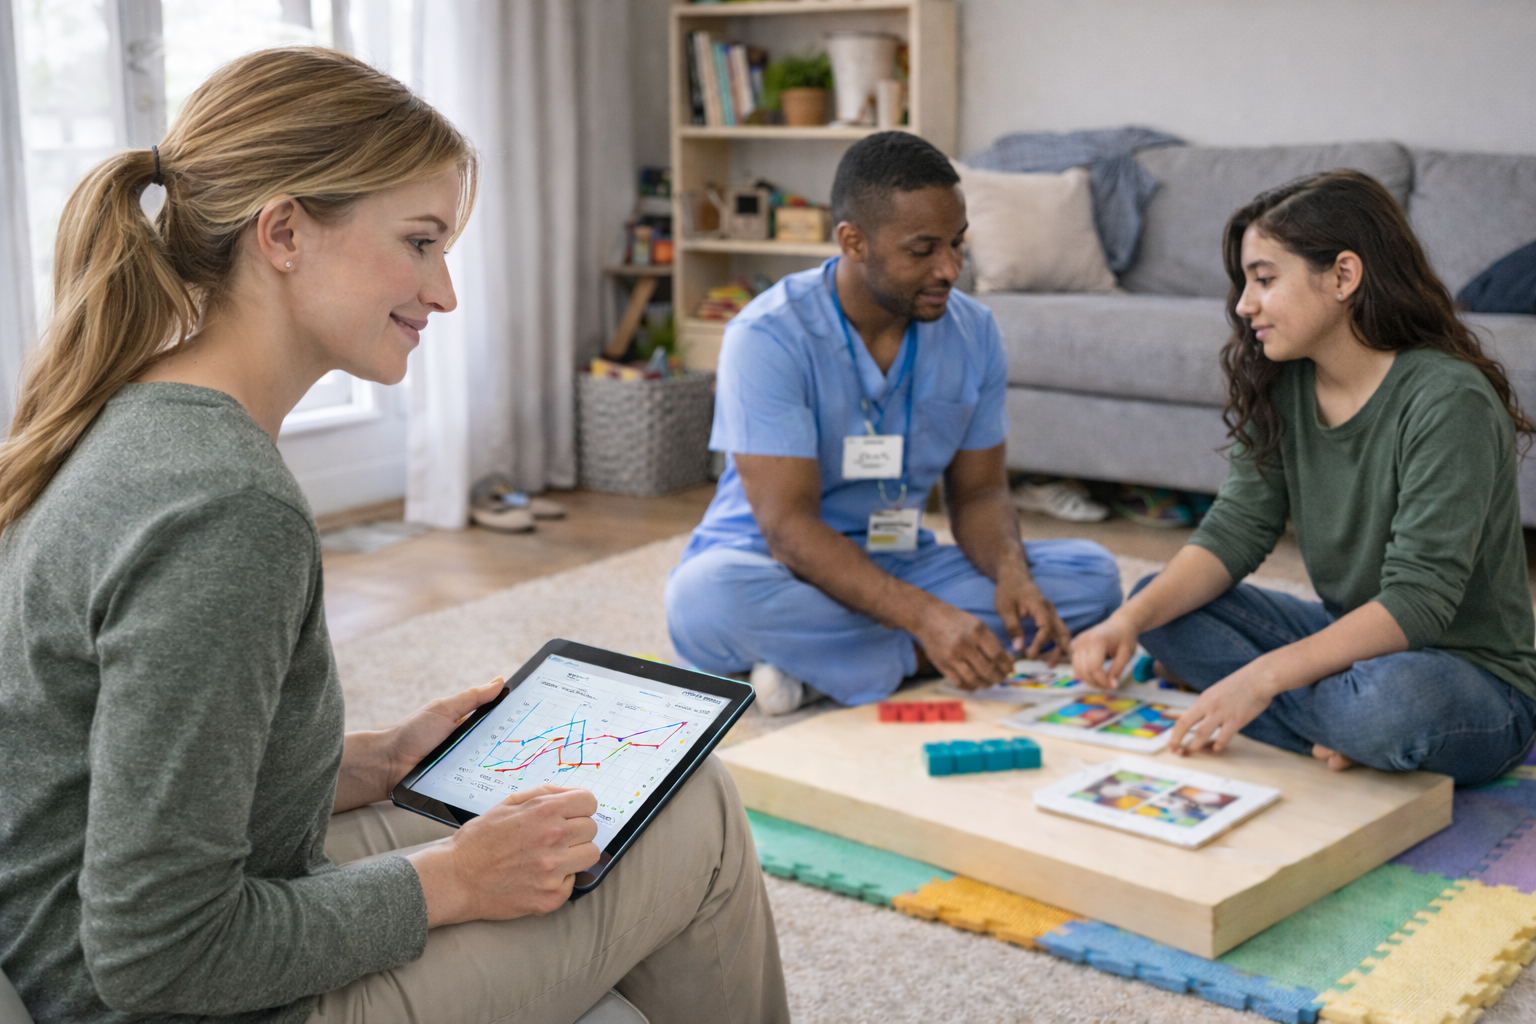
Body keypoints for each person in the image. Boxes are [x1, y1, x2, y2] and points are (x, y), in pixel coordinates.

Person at [0, 48, 787, 1024]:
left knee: (636, 799)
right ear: (283, 231)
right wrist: (451, 880)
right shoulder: (220, 507)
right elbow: (157, 953)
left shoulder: (126, 414)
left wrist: (367, 761)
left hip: (75, 945)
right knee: (694, 816)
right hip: (163, 1000)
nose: (445, 291)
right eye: (420, 241)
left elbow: (126, 775)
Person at [1071, 170, 1536, 787]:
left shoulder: (1448, 399)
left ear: (1343, 276)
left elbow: (1419, 602)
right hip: (1354, 648)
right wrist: (1125, 623)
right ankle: (1339, 727)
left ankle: (1348, 726)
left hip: (1472, 681)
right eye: (1245, 283)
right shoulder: (1283, 383)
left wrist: (1261, 678)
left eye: (1264, 279)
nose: (1243, 304)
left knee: (1388, 708)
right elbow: (1236, 528)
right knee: (1160, 606)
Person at [665, 132, 1122, 715]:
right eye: (923, 250)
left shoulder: (975, 333)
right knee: (704, 600)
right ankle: (913, 657)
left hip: (900, 557)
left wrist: (1012, 575)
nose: (950, 269)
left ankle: (819, 667)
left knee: (1091, 578)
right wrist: (928, 618)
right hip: (776, 564)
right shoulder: (767, 336)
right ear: (853, 242)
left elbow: (980, 493)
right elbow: (788, 530)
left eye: (957, 244)